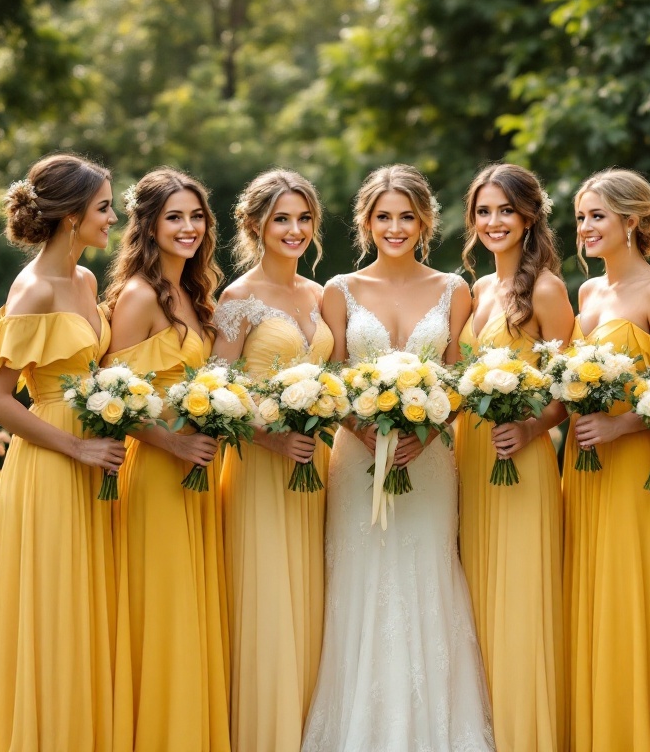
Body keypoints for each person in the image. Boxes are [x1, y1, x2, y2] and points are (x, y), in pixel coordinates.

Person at [302, 164, 494, 751]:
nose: (395, 227)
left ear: (424, 222)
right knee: (360, 583)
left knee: (430, 575)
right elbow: (327, 380)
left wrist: (428, 434)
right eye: (383, 216)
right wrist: (363, 431)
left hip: (431, 461)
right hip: (356, 461)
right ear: (365, 221)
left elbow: (461, 377)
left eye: (406, 216)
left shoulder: (453, 289)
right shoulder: (340, 290)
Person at [0, 153, 123, 751]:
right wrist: (75, 449)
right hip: (53, 462)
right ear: (70, 218)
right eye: (104, 207)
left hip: (98, 455)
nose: (113, 218)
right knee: (57, 613)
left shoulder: (87, 280)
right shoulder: (33, 291)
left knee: (91, 612)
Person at [102, 167, 230, 751]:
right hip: (155, 470)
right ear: (148, 225)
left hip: (195, 469)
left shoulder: (192, 293)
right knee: (164, 610)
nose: (188, 227)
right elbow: (108, 397)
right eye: (173, 216)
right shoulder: (137, 295)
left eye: (196, 216)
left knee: (191, 612)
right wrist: (173, 442)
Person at [562, 168, 650, 751]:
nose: (585, 227)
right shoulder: (587, 293)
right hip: (583, 467)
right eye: (582, 216)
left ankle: (632, 735)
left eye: (597, 216)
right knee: (586, 593)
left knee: (625, 597)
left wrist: (620, 423)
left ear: (632, 222)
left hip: (635, 465)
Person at [213, 169, 334, 752]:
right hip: (261, 470)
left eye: (304, 218)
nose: (295, 230)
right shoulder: (237, 299)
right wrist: (272, 439)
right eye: (282, 218)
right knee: (267, 605)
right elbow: (215, 394)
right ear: (255, 225)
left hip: (315, 472)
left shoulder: (320, 295)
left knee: (311, 600)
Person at [455, 162, 572, 751]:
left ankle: (528, 735)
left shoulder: (547, 289)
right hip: (473, 456)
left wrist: (530, 430)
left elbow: (569, 390)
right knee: (477, 595)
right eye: (484, 211)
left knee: (520, 596)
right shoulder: (478, 290)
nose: (494, 221)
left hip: (519, 458)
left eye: (505, 210)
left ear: (529, 217)